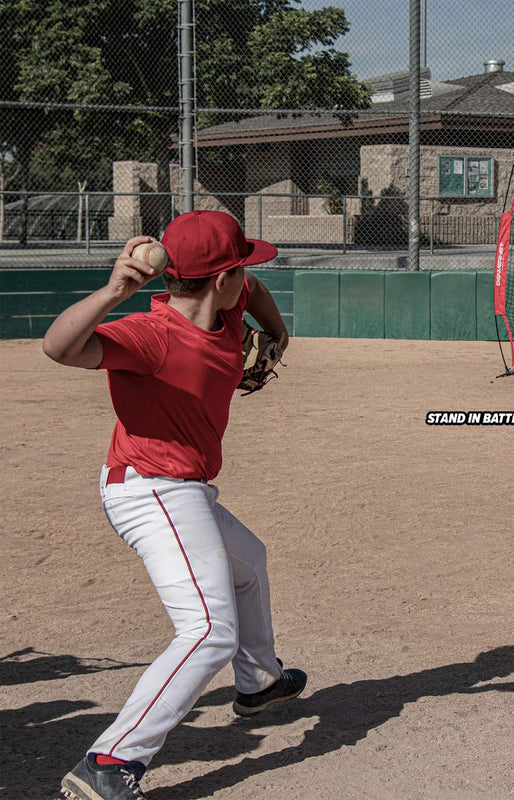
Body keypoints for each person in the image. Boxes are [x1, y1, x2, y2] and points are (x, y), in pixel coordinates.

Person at [43, 210, 306, 800]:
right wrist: (116, 291)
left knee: (248, 562)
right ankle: (111, 760)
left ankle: (259, 680)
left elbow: (257, 293)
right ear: (221, 278)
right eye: (243, 265)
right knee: (208, 630)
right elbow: (59, 347)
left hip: (184, 488)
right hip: (149, 489)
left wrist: (278, 334)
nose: (251, 274)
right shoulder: (150, 336)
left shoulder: (228, 308)